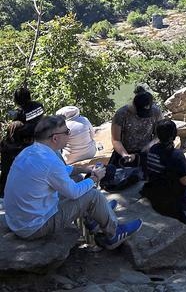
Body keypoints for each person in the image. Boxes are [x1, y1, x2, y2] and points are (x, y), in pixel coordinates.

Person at [4, 115, 142, 248]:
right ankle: (113, 234)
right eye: (67, 132)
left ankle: (95, 216)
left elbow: (59, 172)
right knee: (92, 195)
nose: (69, 135)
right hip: (34, 227)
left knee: (76, 178)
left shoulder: (31, 151)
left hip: (20, 220)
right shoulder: (50, 161)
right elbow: (74, 193)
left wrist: (85, 169)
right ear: (55, 138)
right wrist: (95, 178)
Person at [0, 86, 45, 197]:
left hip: (26, 139)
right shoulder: (36, 107)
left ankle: (2, 191)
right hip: (32, 137)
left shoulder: (28, 111)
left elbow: (27, 120)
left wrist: (17, 117)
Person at [110, 86, 162, 171]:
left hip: (146, 152)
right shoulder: (122, 114)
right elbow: (116, 140)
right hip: (124, 151)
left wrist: (150, 145)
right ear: (134, 105)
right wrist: (125, 154)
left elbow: (159, 135)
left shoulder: (156, 112)